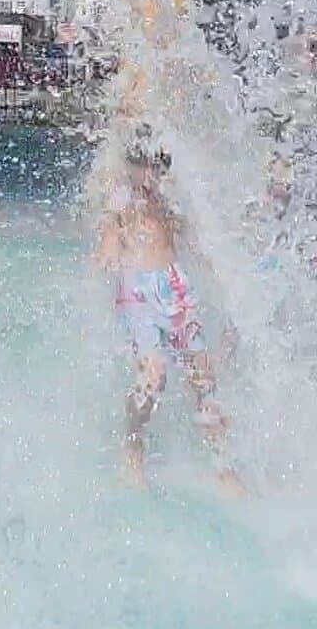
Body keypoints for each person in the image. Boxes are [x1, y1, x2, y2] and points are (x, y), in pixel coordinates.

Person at [94, 129, 242, 492]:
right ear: (130, 168)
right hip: (137, 293)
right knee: (154, 377)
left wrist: (229, 283)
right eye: (142, 166)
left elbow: (198, 247)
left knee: (203, 377)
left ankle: (223, 466)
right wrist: (107, 260)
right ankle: (133, 443)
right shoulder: (121, 210)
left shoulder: (170, 206)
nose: (149, 174)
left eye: (156, 166)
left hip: (175, 287)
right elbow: (106, 250)